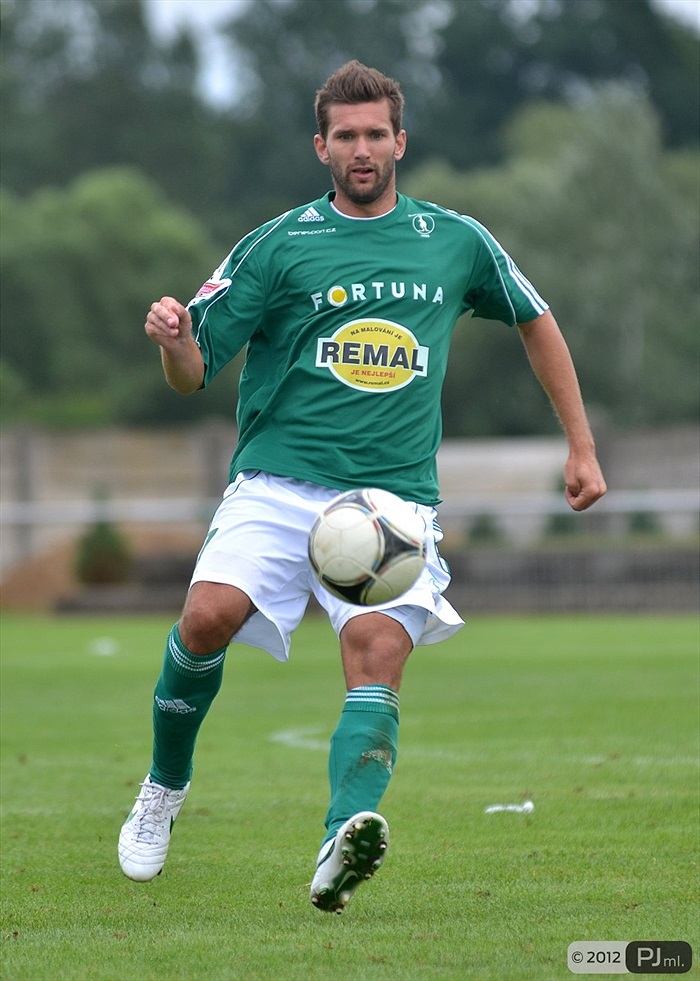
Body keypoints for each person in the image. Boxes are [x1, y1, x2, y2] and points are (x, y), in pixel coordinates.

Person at [118, 60, 607, 913]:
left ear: (401, 141)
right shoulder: (277, 243)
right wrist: (171, 339)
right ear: (322, 147)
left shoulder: (456, 240)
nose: (363, 147)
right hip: (277, 484)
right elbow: (192, 375)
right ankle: (162, 787)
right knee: (205, 617)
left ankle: (341, 840)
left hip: (389, 504)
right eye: (345, 135)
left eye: (376, 132)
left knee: (377, 654)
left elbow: (536, 318)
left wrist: (581, 444)